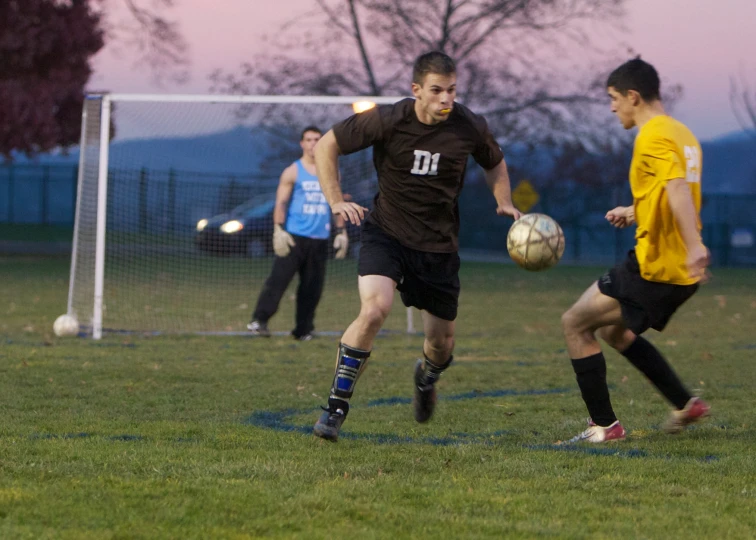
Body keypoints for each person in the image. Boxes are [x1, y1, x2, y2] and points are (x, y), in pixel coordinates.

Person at [310, 51, 522, 442]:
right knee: (375, 310)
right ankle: (335, 408)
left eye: (452, 90)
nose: (446, 99)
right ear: (416, 90)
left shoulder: (468, 126)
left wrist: (504, 199)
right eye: (437, 91)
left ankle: (426, 380)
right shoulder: (388, 119)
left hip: (438, 247)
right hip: (386, 232)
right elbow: (327, 145)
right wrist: (335, 199)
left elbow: (495, 162)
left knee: (441, 344)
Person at [560, 58, 711, 444]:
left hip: (659, 266)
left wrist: (695, 247)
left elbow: (677, 189)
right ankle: (684, 404)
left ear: (633, 96)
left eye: (614, 99)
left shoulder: (652, 135)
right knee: (614, 331)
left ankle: (604, 426)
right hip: (675, 267)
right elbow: (674, 190)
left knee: (575, 323)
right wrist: (634, 210)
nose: (612, 108)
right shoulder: (683, 134)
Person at [247, 126, 349, 341]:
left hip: (319, 239)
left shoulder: (331, 171)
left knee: (312, 288)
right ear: (302, 143)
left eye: (317, 139)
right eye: (308, 140)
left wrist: (341, 231)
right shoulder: (293, 170)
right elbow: (281, 202)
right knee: (278, 281)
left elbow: (337, 203)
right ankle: (259, 321)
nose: (313, 143)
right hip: (294, 237)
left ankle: (304, 330)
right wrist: (279, 229)